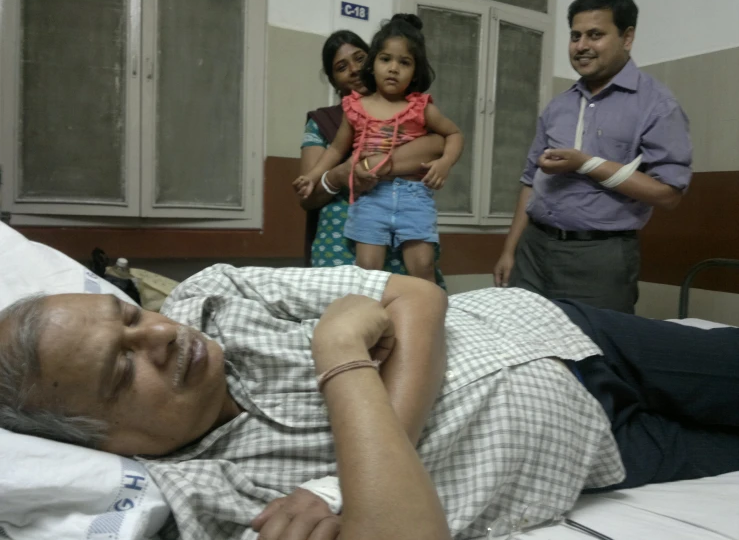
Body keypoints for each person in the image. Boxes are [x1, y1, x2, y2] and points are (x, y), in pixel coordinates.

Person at [2, 265, 738, 540]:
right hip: (592, 449)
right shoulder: (212, 495)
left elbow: (416, 294)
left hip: (565, 329)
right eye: (120, 369)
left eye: (131, 316)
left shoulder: (217, 297)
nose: (160, 335)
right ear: (104, 442)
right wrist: (340, 356)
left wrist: (339, 481)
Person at [493, 0, 692, 314]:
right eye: (575, 36)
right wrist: (510, 250)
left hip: (600, 255)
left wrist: (587, 164)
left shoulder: (656, 105)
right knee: (525, 349)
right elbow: (530, 180)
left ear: (627, 37)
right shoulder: (559, 106)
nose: (581, 45)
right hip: (534, 249)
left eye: (595, 35)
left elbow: (669, 194)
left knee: (597, 354)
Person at [295, 15, 463, 283]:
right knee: (367, 273)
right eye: (341, 67)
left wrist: (443, 163)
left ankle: (424, 318)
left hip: (412, 198)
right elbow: (336, 151)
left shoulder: (419, 109)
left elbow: (447, 139)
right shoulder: (342, 116)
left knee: (422, 267)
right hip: (369, 203)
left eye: (359, 58)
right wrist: (316, 175)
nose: (393, 68)